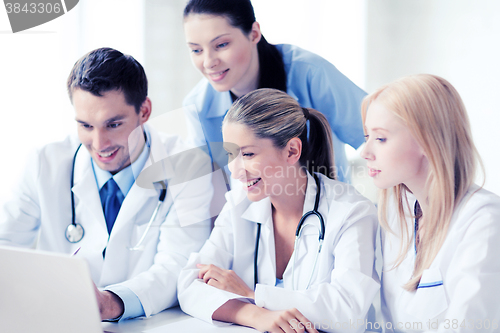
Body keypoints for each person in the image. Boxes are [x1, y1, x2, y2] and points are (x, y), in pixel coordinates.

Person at [0, 47, 212, 321]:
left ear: (144, 110)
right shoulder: (45, 163)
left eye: (113, 125)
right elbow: (5, 247)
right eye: (86, 126)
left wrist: (110, 303)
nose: (99, 145)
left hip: (148, 324)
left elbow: (179, 265)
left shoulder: (188, 166)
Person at [178, 88, 379, 333]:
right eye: (231, 154)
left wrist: (251, 294)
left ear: (292, 151)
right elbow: (190, 284)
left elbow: (347, 311)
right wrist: (254, 314)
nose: (236, 170)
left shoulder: (352, 212)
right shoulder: (239, 203)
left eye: (248, 154)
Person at [361, 74, 500, 332]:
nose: (365, 152)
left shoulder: (484, 220)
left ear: (427, 140)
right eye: (366, 136)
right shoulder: (395, 214)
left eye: (380, 139)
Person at [182, 0, 366, 184]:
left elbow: (377, 137)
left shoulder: (311, 73)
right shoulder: (197, 107)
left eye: (221, 45)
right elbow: (204, 193)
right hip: (252, 211)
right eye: (196, 50)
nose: (208, 62)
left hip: (329, 207)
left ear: (254, 33)